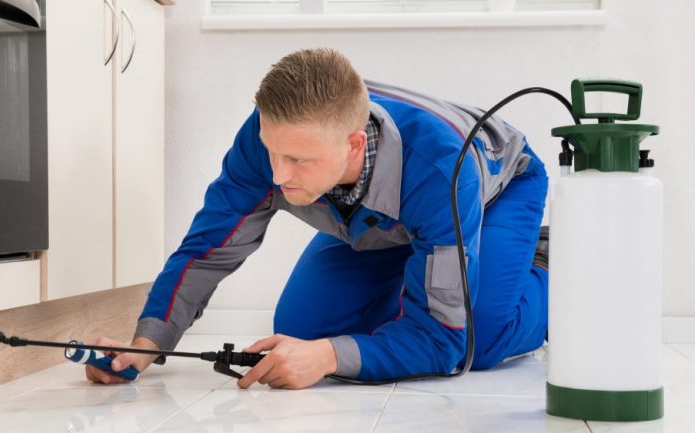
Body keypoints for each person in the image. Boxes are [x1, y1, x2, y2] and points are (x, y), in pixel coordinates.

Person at [85, 48, 549, 389]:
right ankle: (427, 278)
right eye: (271, 152)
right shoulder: (268, 141)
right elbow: (208, 249)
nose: (276, 175)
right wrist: (148, 343)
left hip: (495, 194)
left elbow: (444, 341)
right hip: (380, 224)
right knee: (303, 333)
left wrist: (329, 357)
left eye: (297, 160)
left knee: (475, 341)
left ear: (351, 145)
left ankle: (547, 270)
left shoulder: (443, 171)